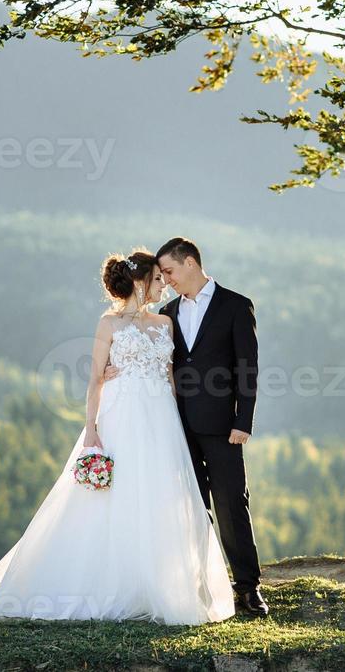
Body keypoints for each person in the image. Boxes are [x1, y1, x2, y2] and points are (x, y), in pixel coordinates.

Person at [0, 250, 237, 624]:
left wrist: (181, 423)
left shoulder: (164, 323)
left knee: (159, 494)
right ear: (139, 282)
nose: (162, 284)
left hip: (161, 418)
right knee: (111, 495)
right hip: (122, 415)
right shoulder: (109, 324)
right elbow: (96, 380)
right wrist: (92, 429)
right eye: (156, 279)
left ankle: (161, 582)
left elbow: (169, 375)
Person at [103, 237, 266, 618]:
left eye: (170, 272)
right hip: (174, 425)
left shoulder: (236, 306)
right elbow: (150, 355)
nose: (167, 280)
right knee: (187, 506)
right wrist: (112, 370)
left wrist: (244, 420)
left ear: (190, 262)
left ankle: (247, 586)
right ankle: (197, 582)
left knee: (231, 504)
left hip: (223, 426)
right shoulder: (169, 313)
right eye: (162, 275)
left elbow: (249, 368)